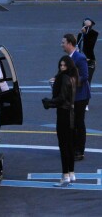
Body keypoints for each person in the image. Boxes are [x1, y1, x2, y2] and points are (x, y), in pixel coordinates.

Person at [42, 55, 78, 187]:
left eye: (64, 65)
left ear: (68, 66)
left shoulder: (63, 78)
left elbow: (61, 98)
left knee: (63, 146)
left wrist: (48, 102)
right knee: (69, 146)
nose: (62, 67)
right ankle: (71, 173)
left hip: (63, 115)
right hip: (71, 115)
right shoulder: (73, 79)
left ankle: (65, 175)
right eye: (61, 65)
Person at [61, 33, 91, 161]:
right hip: (72, 96)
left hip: (80, 96)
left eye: (63, 42)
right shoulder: (69, 58)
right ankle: (73, 148)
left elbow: (84, 76)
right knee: (72, 123)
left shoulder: (80, 58)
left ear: (69, 43)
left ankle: (79, 151)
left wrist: (69, 82)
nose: (61, 45)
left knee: (79, 122)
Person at [77, 18, 99, 111]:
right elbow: (77, 46)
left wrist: (85, 34)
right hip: (80, 61)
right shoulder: (80, 35)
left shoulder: (94, 34)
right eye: (84, 24)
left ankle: (86, 103)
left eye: (87, 25)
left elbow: (90, 46)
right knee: (78, 81)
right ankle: (77, 100)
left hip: (90, 61)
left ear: (91, 25)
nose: (85, 26)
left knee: (87, 81)